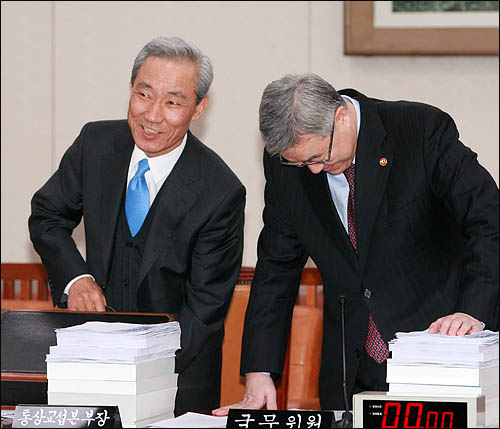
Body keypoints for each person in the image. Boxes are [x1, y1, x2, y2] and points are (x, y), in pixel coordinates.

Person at [213, 73, 498, 415]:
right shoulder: (284, 167)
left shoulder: (419, 130)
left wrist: (472, 311)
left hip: (441, 347)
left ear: (341, 116)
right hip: (351, 365)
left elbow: (488, 221)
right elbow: (277, 266)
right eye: (303, 163)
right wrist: (259, 372)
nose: (315, 171)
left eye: (320, 157)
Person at [29, 36, 246, 412]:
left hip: (178, 377)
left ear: (198, 108)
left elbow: (204, 308)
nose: (153, 115)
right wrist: (76, 279)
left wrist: (142, 372)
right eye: (144, 94)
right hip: (89, 362)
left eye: (173, 102)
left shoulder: (219, 190)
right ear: (130, 89)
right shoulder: (95, 144)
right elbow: (47, 215)